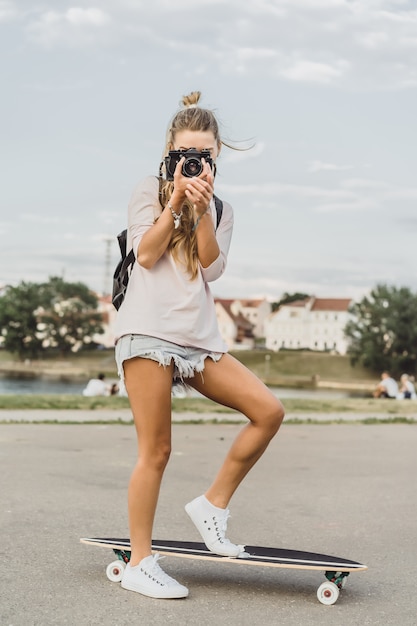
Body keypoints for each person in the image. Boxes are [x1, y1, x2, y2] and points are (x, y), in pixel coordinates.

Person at [113, 91, 284, 599]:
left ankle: (212, 505)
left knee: (268, 411)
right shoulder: (148, 189)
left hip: (198, 339)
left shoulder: (222, 208)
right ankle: (140, 562)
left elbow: (210, 267)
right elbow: (145, 256)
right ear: (170, 150)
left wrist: (203, 209)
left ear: (216, 157)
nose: (196, 162)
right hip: (146, 331)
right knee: (157, 450)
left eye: (205, 156)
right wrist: (172, 205)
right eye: (188, 154)